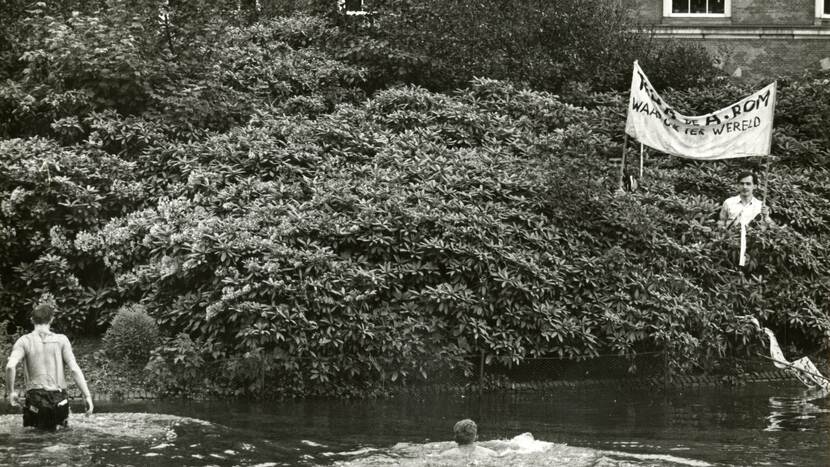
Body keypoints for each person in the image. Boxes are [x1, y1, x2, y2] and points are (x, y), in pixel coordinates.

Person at [5, 303, 94, 430]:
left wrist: (11, 392)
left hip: (36, 400)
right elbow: (74, 369)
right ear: (51, 319)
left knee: (34, 439)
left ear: (32, 320)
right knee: (61, 437)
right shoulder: (62, 340)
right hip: (59, 399)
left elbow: (10, 367)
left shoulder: (24, 341)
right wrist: (87, 396)